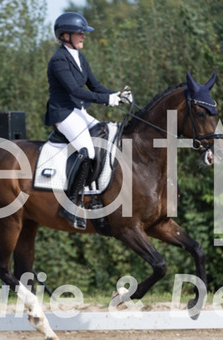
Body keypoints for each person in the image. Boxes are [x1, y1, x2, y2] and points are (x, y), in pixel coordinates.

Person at [44, 12, 132, 230]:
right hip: (63, 113)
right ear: (65, 35)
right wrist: (106, 100)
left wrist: (117, 95)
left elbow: (95, 87)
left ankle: (95, 193)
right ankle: (71, 203)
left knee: (107, 137)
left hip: (78, 111)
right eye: (79, 33)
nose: (84, 36)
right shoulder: (58, 60)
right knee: (88, 151)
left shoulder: (80, 58)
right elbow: (75, 90)